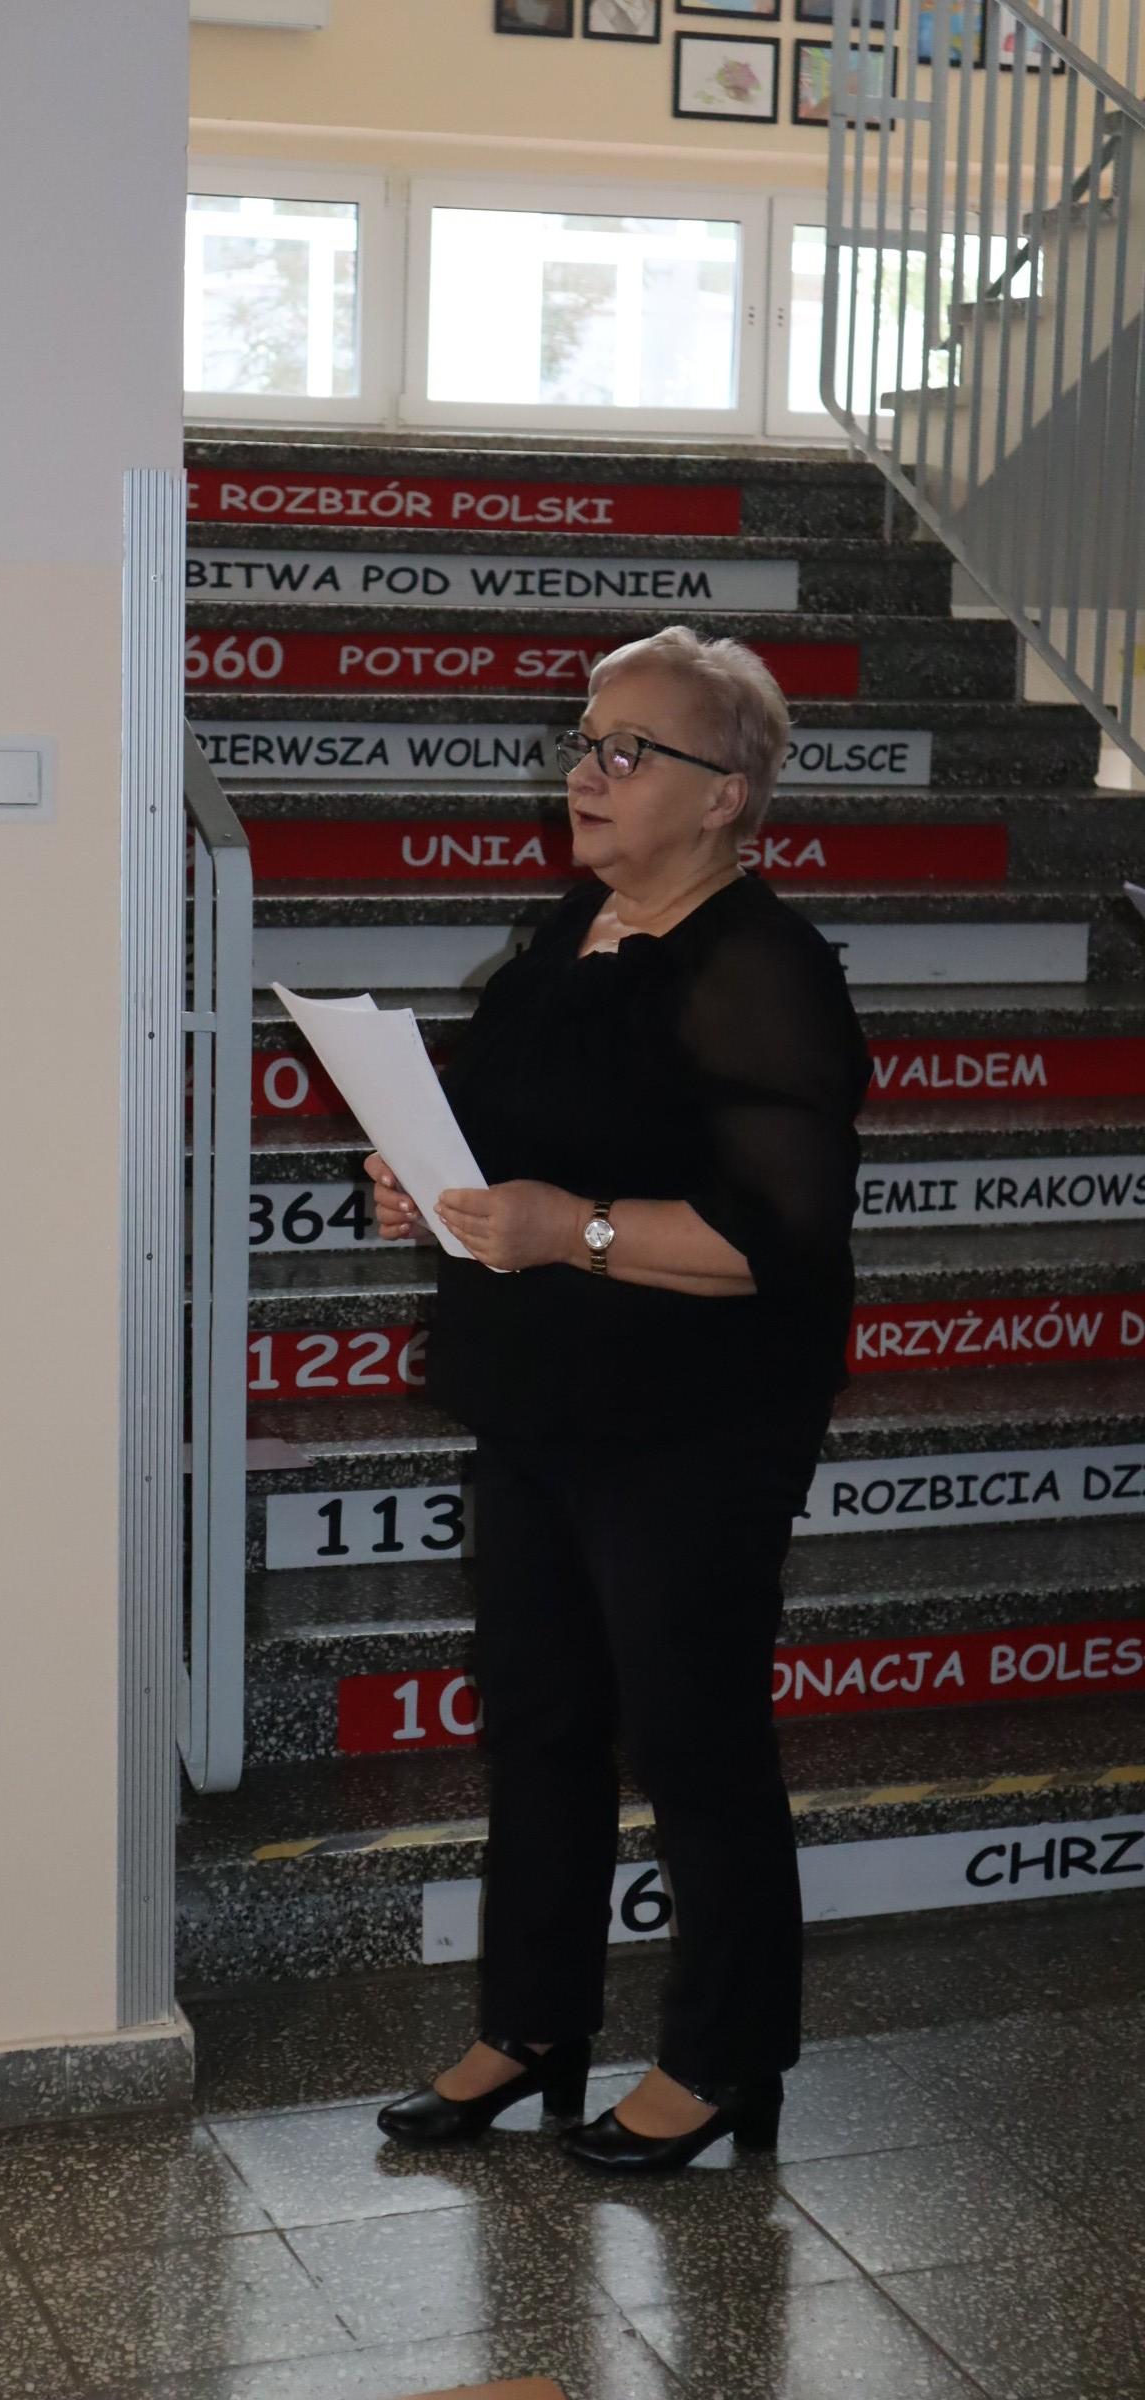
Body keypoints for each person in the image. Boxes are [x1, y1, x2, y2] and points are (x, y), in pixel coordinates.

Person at [366, 625, 873, 2174]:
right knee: (540, 1723)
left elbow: (771, 1242)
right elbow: (506, 1136)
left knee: (693, 1741)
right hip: (542, 1399)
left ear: (726, 796)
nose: (585, 773)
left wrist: (568, 1229)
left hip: (695, 1423)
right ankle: (532, 2028)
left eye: (627, 750)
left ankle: (724, 2056)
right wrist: (434, 1187)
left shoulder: (764, 972)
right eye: (584, 742)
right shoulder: (568, 936)